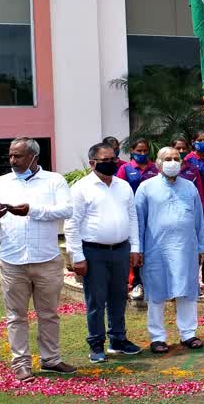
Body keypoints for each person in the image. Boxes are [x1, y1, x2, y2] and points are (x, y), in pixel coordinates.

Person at [0, 137, 76, 382]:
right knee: (16, 316)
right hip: (12, 262)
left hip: (46, 260)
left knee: (49, 314)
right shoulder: (1, 182)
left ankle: (51, 360)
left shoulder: (54, 180)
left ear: (34, 157)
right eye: (11, 155)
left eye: (18, 156)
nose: (12, 160)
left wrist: (32, 210)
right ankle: (21, 364)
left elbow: (67, 210)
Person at [65, 142, 142, 363]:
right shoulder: (81, 188)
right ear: (92, 163)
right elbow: (71, 224)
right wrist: (77, 257)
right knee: (96, 300)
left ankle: (117, 339)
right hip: (93, 252)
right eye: (105, 160)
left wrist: (134, 248)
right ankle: (96, 344)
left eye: (113, 159)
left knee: (119, 297)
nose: (111, 163)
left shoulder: (123, 186)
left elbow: (133, 218)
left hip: (120, 250)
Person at [135, 147, 204, 353]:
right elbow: (138, 222)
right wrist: (137, 249)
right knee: (156, 292)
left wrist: (202, 246)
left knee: (187, 291)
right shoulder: (145, 187)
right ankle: (157, 337)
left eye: (176, 158)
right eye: (168, 159)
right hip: (155, 249)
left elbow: (198, 220)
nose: (172, 162)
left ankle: (188, 334)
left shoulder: (190, 187)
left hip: (186, 249)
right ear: (158, 163)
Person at [115, 138, 158, 301]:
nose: (142, 153)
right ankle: (136, 284)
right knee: (135, 248)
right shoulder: (125, 169)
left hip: (152, 215)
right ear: (132, 151)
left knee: (151, 247)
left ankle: (151, 282)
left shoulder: (155, 168)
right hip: (132, 216)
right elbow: (119, 192)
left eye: (145, 151)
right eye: (138, 151)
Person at [184, 131, 204, 291]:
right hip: (191, 208)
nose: (203, 143)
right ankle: (192, 279)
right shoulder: (188, 161)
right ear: (193, 141)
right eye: (200, 140)